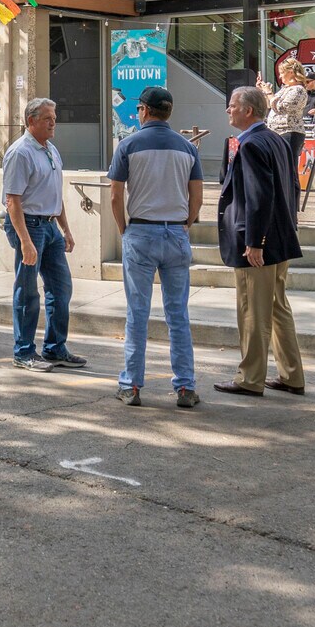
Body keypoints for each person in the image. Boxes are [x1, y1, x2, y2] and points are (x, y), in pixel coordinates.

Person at [106, 86, 203, 409]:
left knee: (137, 313)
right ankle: (185, 387)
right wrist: (185, 224)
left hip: (142, 232)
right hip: (175, 233)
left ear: (144, 110)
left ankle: (132, 385)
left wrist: (124, 230)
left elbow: (116, 195)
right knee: (178, 314)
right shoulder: (187, 149)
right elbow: (197, 196)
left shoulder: (128, 145)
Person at [213, 87, 306, 399]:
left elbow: (258, 196)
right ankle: (292, 375)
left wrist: (255, 242)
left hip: (259, 242)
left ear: (248, 111)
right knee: (278, 307)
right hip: (281, 238)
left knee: (252, 309)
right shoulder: (276, 139)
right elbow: (291, 188)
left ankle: (250, 378)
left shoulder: (251, 143)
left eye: (232, 106)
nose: (228, 110)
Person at [1, 96, 83, 372]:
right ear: (31, 120)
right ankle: (23, 351)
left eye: (54, 119)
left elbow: (55, 193)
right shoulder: (20, 152)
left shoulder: (50, 150)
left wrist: (66, 229)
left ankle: (55, 347)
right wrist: (25, 241)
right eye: (47, 119)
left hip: (50, 226)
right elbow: (13, 200)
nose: (53, 124)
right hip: (30, 225)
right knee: (27, 291)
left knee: (61, 288)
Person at [267, 60, 311, 177]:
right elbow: (270, 105)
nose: (280, 77)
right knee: (279, 169)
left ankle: (291, 195)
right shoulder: (285, 89)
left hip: (289, 132)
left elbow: (282, 107)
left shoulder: (298, 90)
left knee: (289, 171)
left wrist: (269, 93)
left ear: (291, 72)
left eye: (282, 73)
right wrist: (264, 92)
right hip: (277, 132)